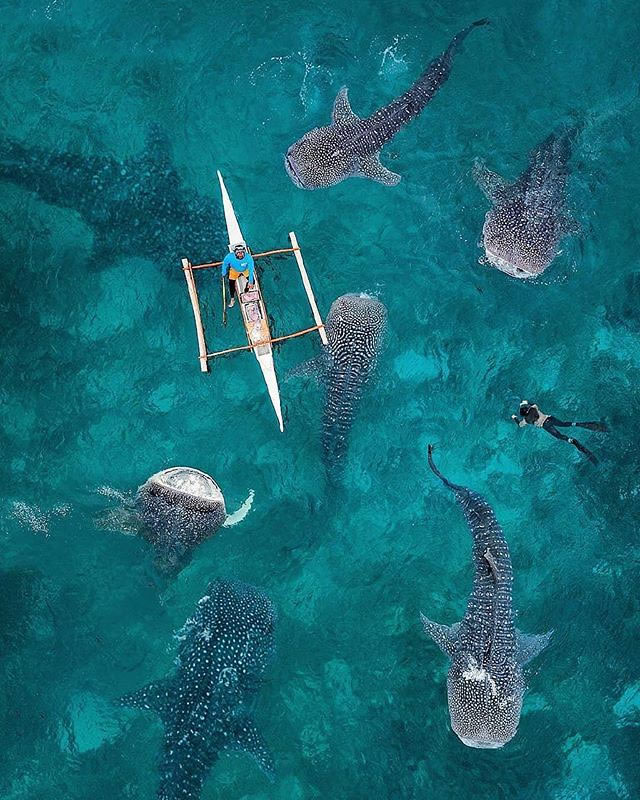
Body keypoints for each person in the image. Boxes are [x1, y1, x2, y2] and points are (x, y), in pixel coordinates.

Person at [511, 400, 608, 464]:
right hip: (550, 418)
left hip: (546, 426)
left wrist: (514, 417)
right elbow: (532, 404)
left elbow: (520, 424)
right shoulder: (533, 408)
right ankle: (577, 424)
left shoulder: (527, 420)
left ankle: (571, 440)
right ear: (527, 408)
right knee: (565, 424)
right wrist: (524, 403)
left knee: (559, 436)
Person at [220, 243, 255, 308]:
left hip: (245, 270)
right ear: (235, 253)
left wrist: (250, 281)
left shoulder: (248, 257)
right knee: (231, 284)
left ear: (245, 252)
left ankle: (246, 291)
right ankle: (232, 299)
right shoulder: (229, 256)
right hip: (234, 270)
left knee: (253, 281)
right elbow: (224, 264)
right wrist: (223, 272)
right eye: (238, 252)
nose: (240, 254)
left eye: (242, 252)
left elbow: (251, 270)